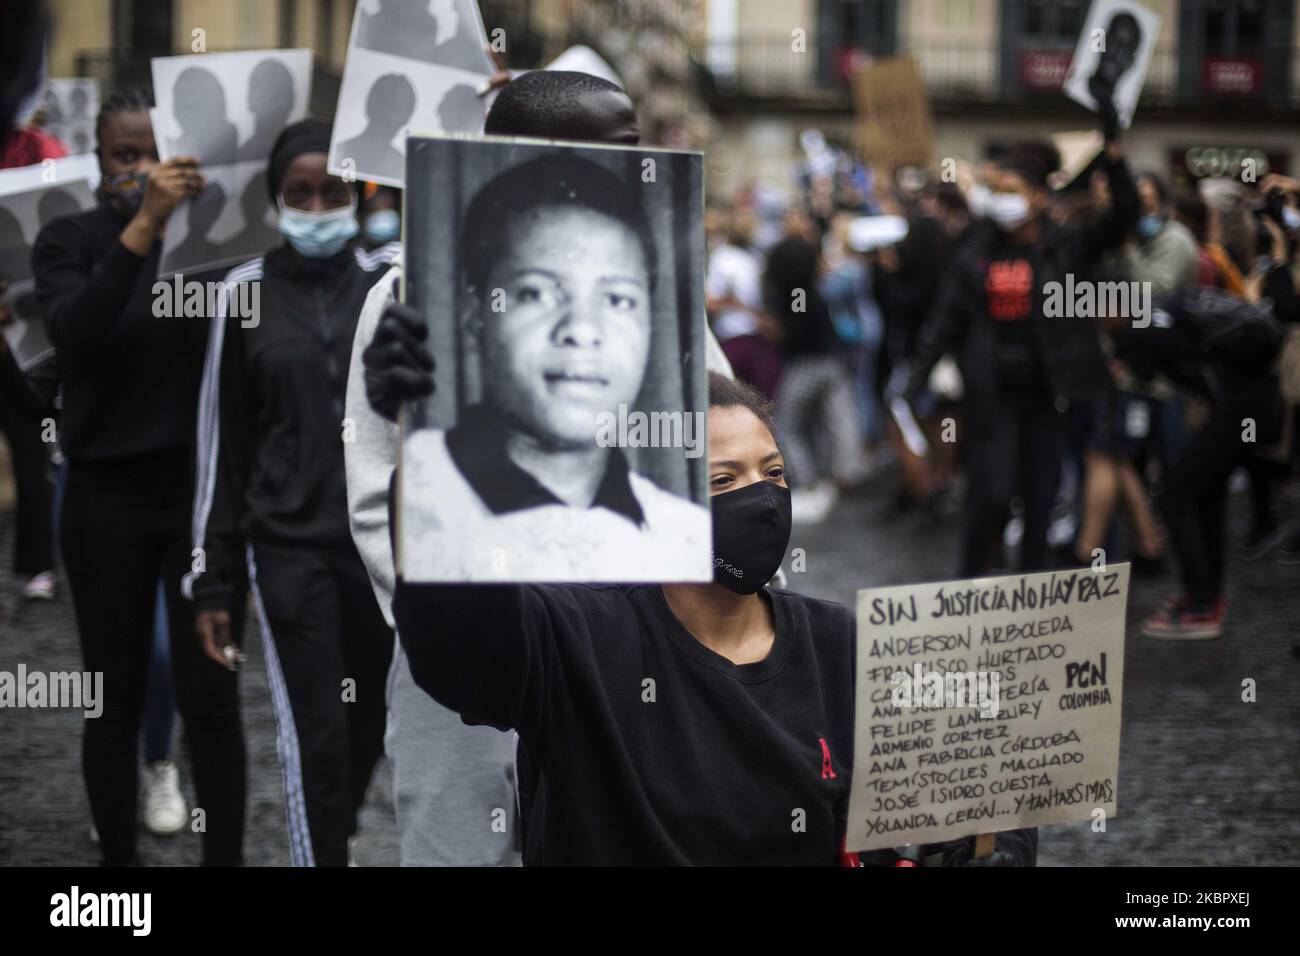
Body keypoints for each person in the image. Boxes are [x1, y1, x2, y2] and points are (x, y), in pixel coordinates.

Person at [390, 369, 1039, 866]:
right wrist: (431, 465)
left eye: (775, 473)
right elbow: (458, 637)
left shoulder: (842, 645)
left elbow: (939, 828)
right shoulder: (580, 637)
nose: (762, 498)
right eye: (723, 481)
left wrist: (987, 821)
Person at [347, 68, 731, 866]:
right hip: (464, 657)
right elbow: (373, 493)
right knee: (463, 847)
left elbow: (716, 438)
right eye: (624, 148)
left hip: (622, 647)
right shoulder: (408, 299)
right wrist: (455, 631)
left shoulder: (663, 294)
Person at [31, 86, 245, 866]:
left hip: (198, 499)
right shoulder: (70, 240)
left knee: (213, 698)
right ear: (97, 161)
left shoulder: (215, 243)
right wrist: (145, 222)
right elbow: (77, 334)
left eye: (158, 155)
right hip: (103, 498)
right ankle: (116, 875)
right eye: (127, 156)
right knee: (111, 698)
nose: (145, 170)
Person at [190, 119, 399, 867]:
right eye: (299, 194)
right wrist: (212, 579)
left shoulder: (392, 279)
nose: (317, 207)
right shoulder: (243, 296)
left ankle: (331, 836)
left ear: (359, 191)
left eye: (332, 191)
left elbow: (479, 238)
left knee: (372, 720)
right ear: (277, 200)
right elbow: (224, 445)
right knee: (315, 729)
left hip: (379, 549)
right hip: (286, 549)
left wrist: (490, 123)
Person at [400, 150, 710, 581]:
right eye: (537, 293)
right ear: (476, 315)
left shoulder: (688, 536)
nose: (582, 330)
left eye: (618, 300)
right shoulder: (410, 497)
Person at [899, 102, 1138, 576]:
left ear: (1037, 199)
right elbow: (945, 319)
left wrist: (1113, 156)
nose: (998, 199)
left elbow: (1122, 215)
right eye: (993, 190)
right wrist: (914, 380)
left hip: (1050, 397)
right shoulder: (976, 250)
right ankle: (972, 588)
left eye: (1009, 191)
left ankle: (1030, 603)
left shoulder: (1066, 246)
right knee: (989, 498)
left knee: (1040, 502)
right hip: (993, 398)